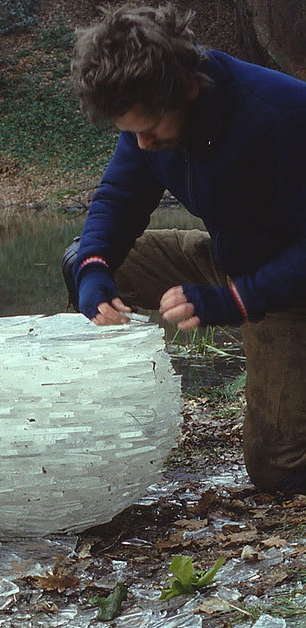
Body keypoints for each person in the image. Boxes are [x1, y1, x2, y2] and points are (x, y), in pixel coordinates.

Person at [62, 2, 306, 493]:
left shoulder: (285, 115)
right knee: (84, 260)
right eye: (131, 132)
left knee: (275, 470)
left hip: (290, 289)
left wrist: (236, 300)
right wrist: (93, 268)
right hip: (227, 257)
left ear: (189, 90)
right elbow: (120, 196)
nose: (141, 144)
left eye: (149, 129)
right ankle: (94, 416)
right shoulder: (149, 117)